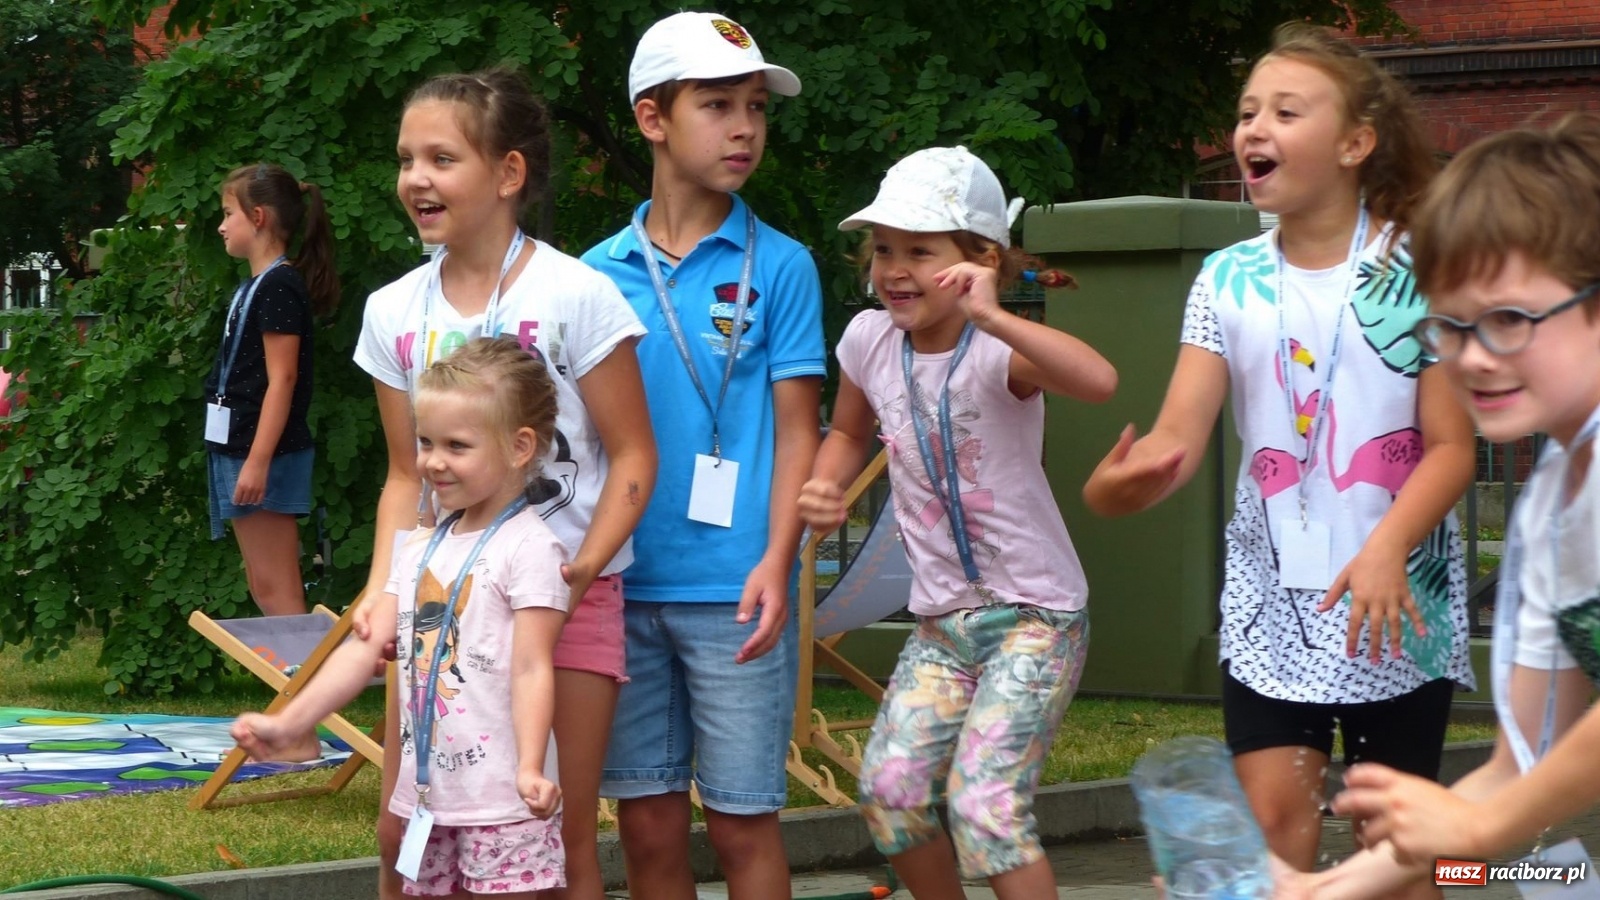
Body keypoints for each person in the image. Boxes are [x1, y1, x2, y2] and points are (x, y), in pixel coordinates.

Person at [1080, 23, 1476, 884]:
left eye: (1285, 111)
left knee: (1394, 852)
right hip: (1271, 608)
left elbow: (1451, 450)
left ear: (1354, 144)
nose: (1253, 127)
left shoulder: (1416, 268)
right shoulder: (1226, 279)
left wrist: (1384, 549)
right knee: (1271, 826)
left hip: (1396, 604)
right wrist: (1119, 488)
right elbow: (1175, 443)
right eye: (1246, 110)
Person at [349, 69, 657, 900]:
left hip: (561, 602)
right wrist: (383, 593)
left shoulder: (578, 294)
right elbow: (404, 475)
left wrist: (584, 567)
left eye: (442, 158)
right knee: (402, 837)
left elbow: (633, 457)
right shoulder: (392, 311)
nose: (416, 178)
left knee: (556, 843)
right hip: (436, 604)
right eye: (407, 158)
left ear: (508, 173)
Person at [1283, 113, 1600, 897]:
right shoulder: (1552, 503)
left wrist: (1481, 833)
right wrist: (1313, 892)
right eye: (1450, 327)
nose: (1472, 358)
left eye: (1508, 319)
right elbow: (1516, 771)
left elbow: (1486, 825)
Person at [798, 145, 1115, 900]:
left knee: (985, 807)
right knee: (892, 796)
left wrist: (993, 314)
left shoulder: (997, 350)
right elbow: (846, 432)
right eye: (882, 250)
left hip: (1036, 616)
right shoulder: (869, 342)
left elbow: (1098, 381)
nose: (894, 268)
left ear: (979, 260)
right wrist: (826, 483)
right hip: (945, 625)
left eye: (920, 250)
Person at [578, 12, 822, 899]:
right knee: (645, 826)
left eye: (756, 106)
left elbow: (801, 428)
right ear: (653, 118)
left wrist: (778, 557)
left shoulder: (784, 266)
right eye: (717, 104)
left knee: (744, 819)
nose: (745, 127)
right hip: (623, 584)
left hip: (737, 593)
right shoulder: (591, 274)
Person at [235, 336, 568, 897]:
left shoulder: (530, 548)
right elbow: (363, 651)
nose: (434, 461)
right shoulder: (416, 548)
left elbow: (533, 667)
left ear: (519, 447)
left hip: (502, 797)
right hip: (428, 795)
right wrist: (291, 723)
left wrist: (531, 768)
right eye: (425, 441)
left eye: (457, 445)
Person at [206, 162, 339, 618]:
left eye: (228, 213)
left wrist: (258, 462)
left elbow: (283, 379)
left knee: (277, 588)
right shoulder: (257, 284)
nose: (222, 226)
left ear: (258, 217)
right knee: (263, 584)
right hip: (240, 446)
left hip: (263, 454)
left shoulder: (280, 284)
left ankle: (301, 686)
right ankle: (295, 685)